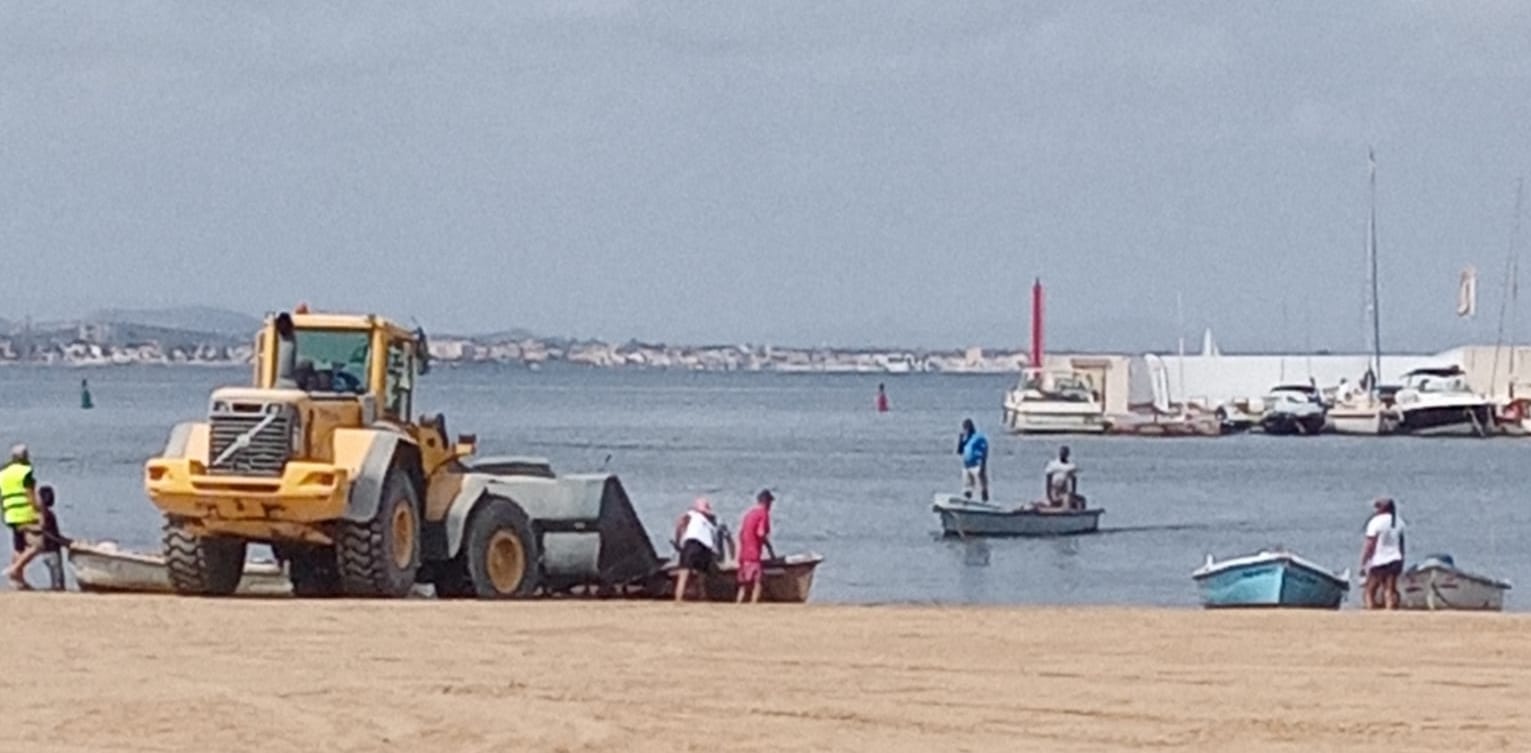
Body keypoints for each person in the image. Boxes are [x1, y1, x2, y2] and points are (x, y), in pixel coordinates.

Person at [2, 444, 45, 590]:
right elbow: (30, 494)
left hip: (10, 513)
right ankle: (15, 569)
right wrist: (39, 511)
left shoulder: (4, 472)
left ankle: (18, 581)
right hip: (24, 512)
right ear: (25, 457)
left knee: (19, 547)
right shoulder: (25, 471)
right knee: (37, 545)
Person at [673, 498, 723, 602]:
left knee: (683, 575)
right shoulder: (712, 521)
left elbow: (679, 524)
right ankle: (702, 598)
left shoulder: (691, 514)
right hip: (705, 547)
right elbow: (716, 539)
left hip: (691, 543)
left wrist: (677, 541)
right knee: (701, 577)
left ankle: (678, 599)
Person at [1360, 497, 1406, 610]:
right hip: (1396, 559)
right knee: (1389, 590)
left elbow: (1369, 544)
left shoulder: (1375, 522)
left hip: (1380, 560)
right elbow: (1401, 545)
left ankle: (1371, 612)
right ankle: (1389, 612)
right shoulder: (1399, 522)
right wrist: (1402, 561)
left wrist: (1363, 562)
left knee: (1370, 591)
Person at [735, 490, 778, 603]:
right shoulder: (763, 514)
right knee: (758, 583)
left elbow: (741, 534)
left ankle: (738, 605)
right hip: (753, 554)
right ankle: (754, 605)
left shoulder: (749, 514)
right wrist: (770, 550)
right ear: (767, 502)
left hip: (744, 554)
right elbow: (761, 533)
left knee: (744, 584)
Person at [37, 486, 70, 591]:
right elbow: (47, 533)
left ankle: (55, 588)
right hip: (52, 549)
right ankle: (57, 590)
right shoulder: (47, 514)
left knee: (55, 575)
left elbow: (51, 533)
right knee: (58, 578)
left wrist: (65, 541)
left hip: (46, 549)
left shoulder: (42, 513)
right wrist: (62, 542)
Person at [958, 419, 989, 502]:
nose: (964, 430)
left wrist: (983, 464)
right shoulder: (966, 439)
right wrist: (960, 440)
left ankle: (985, 501)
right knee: (967, 487)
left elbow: (984, 450)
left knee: (981, 484)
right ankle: (967, 501)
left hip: (977, 464)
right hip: (967, 466)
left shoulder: (978, 437)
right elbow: (960, 451)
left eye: (965, 428)